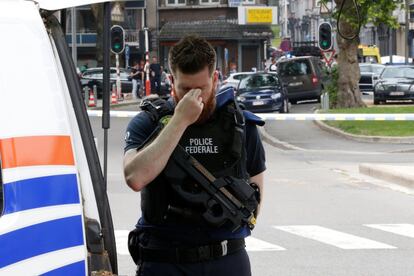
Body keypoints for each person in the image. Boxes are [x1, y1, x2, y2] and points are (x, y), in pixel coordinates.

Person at [123, 35, 266, 276]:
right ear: (171, 81)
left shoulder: (239, 125)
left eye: (202, 88)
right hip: (165, 260)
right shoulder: (148, 123)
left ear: (215, 79)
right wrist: (180, 121)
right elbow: (135, 177)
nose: (194, 97)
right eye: (186, 89)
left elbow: (253, 203)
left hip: (226, 259)